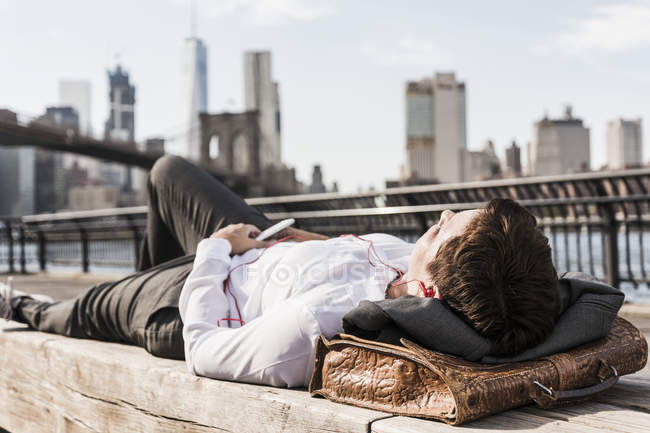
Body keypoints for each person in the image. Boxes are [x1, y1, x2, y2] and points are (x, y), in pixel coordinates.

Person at [0, 155, 559, 387]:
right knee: (168, 171)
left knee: (80, 310)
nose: (439, 216)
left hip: (203, 296)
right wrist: (310, 244)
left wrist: (214, 252)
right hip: (264, 251)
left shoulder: (316, 325)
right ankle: (137, 290)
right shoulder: (418, 271)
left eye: (443, 229)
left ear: (428, 288)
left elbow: (203, 348)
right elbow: (362, 253)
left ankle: (36, 305)